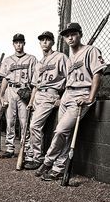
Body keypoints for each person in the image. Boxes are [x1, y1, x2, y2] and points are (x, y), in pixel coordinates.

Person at [35, 23, 107, 180]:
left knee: (61, 130)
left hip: (81, 94)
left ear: (80, 34)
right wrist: (61, 97)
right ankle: (58, 168)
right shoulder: (70, 58)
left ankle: (47, 161)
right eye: (67, 35)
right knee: (65, 134)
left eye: (73, 34)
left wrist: (90, 97)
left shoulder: (90, 50)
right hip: (67, 94)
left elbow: (97, 74)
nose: (70, 37)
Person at [24, 31, 68, 170]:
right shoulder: (39, 63)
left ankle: (38, 158)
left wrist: (62, 97)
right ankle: (32, 155)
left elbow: (70, 77)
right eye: (42, 40)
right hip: (38, 96)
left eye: (48, 40)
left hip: (50, 94)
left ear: (53, 42)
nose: (44, 42)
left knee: (34, 126)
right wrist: (31, 101)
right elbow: (36, 85)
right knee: (34, 127)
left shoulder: (60, 57)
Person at [0, 33, 37, 158]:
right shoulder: (8, 60)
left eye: (20, 42)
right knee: (10, 120)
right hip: (10, 90)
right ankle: (9, 148)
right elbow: (5, 78)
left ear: (24, 43)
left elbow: (35, 80)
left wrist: (32, 96)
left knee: (24, 121)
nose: (18, 44)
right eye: (16, 42)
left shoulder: (31, 59)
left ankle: (25, 148)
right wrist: (2, 94)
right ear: (13, 44)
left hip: (24, 90)